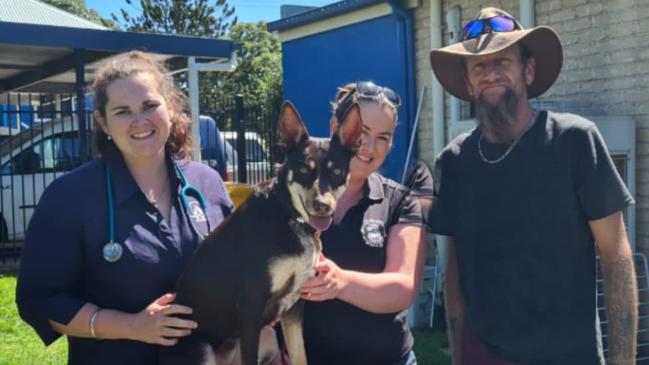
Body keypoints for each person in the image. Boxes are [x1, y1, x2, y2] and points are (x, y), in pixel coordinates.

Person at [428, 7, 637, 365]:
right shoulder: (455, 161)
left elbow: (616, 258)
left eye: (503, 61)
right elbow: (455, 272)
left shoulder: (573, 141)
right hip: (485, 355)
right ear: (467, 83)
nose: (491, 72)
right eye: (479, 65)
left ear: (528, 70)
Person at [15, 51, 237, 364]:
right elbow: (40, 300)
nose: (139, 121)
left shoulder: (207, 183)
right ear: (103, 123)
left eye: (150, 106)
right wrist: (133, 326)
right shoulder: (69, 197)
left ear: (170, 109)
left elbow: (239, 266)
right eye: (122, 111)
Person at [299, 81, 427, 365]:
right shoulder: (294, 193)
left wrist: (339, 282)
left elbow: (403, 287)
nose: (369, 147)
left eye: (383, 137)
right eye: (362, 131)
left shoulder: (400, 202)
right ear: (335, 127)